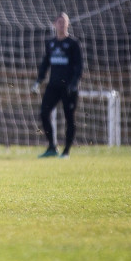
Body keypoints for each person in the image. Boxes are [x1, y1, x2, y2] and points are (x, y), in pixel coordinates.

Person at [32, 12, 82, 158]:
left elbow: (79, 66)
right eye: (59, 22)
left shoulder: (73, 44)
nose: (61, 25)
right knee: (44, 113)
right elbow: (45, 63)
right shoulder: (51, 43)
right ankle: (52, 147)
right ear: (55, 24)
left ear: (67, 24)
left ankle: (66, 151)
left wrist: (74, 84)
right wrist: (39, 80)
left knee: (69, 118)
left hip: (68, 87)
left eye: (64, 22)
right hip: (53, 86)